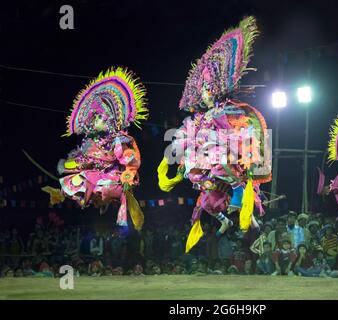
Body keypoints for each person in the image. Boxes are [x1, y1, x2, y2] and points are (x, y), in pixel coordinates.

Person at [157, 16, 271, 253]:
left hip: (227, 152)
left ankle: (241, 193)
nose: (205, 94)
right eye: (203, 91)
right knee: (197, 181)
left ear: (217, 88)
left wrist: (233, 144)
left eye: (208, 90)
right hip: (204, 157)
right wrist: (180, 147)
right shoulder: (200, 116)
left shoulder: (228, 108)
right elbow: (187, 133)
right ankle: (231, 220)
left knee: (221, 163)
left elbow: (240, 129)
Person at [42, 67, 148, 232]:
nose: (94, 121)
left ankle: (103, 200)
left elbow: (129, 157)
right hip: (95, 175)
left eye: (98, 117)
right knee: (78, 179)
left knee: (101, 186)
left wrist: (129, 174)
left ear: (109, 119)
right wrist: (68, 166)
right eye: (93, 118)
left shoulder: (117, 139)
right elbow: (83, 161)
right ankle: (61, 194)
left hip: (113, 176)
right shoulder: (89, 143)